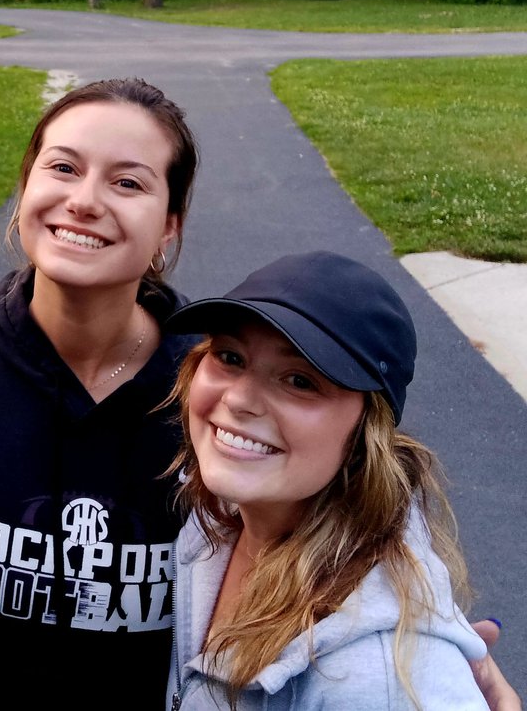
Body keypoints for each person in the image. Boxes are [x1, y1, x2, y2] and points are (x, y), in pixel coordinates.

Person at [0, 78, 200, 706]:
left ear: (168, 226)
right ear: (27, 187)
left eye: (127, 182)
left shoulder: (209, 384)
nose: (83, 201)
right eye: (63, 168)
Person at [164, 251, 487, 709]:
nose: (238, 399)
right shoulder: (219, 518)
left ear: (364, 433)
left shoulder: (376, 680)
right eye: (230, 356)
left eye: (299, 381)